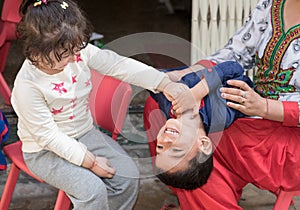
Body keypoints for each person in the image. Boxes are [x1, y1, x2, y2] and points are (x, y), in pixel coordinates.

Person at [11, 0, 198, 209]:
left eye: (77, 49)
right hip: (43, 151)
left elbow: (118, 65)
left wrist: (162, 83)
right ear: (37, 52)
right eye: (65, 54)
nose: (75, 58)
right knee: (92, 190)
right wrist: (90, 162)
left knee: (127, 177)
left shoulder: (77, 53)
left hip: (84, 133)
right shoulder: (27, 87)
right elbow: (48, 137)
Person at [144, 0, 300, 209]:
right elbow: (234, 55)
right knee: (157, 106)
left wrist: (265, 108)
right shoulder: (272, 4)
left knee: (199, 141)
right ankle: (192, 193)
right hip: (255, 113)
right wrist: (183, 75)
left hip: (290, 138)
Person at [148, 61, 254, 190]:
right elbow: (234, 68)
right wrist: (197, 93)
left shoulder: (169, 109)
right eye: (176, 150)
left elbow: (153, 83)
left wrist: (165, 84)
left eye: (160, 147)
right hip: (213, 63)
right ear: (203, 144)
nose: (165, 140)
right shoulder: (220, 115)